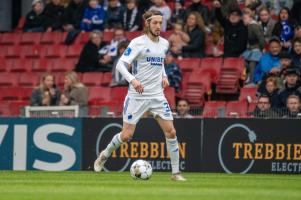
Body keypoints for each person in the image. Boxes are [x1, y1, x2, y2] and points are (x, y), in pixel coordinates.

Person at [94, 10, 186, 181]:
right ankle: (104, 155)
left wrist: (164, 76)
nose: (159, 26)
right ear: (147, 24)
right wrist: (133, 80)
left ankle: (175, 173)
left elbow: (159, 63)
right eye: (155, 23)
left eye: (161, 23)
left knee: (171, 132)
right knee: (126, 135)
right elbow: (121, 65)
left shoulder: (164, 44)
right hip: (137, 96)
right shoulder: (137, 43)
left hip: (157, 96)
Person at [242, 11, 265, 84]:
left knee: (252, 65)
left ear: (250, 18)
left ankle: (252, 82)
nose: (243, 20)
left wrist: (261, 49)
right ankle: (247, 76)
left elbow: (261, 38)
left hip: (257, 49)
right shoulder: (248, 26)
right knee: (242, 61)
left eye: (245, 18)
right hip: (250, 49)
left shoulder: (254, 26)